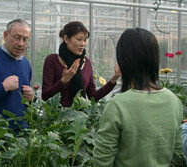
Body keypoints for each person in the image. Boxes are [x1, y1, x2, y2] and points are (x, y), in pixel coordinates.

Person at [93, 28, 183, 167]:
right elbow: (177, 155)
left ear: (124, 61)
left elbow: (102, 161)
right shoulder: (173, 101)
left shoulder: (118, 105)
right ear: (155, 59)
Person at [41, 21, 120, 107]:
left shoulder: (87, 64)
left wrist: (113, 79)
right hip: (57, 118)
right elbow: (45, 96)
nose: (83, 44)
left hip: (80, 117)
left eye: (85, 40)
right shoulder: (52, 61)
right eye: (79, 39)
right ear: (66, 39)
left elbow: (93, 96)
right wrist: (63, 81)